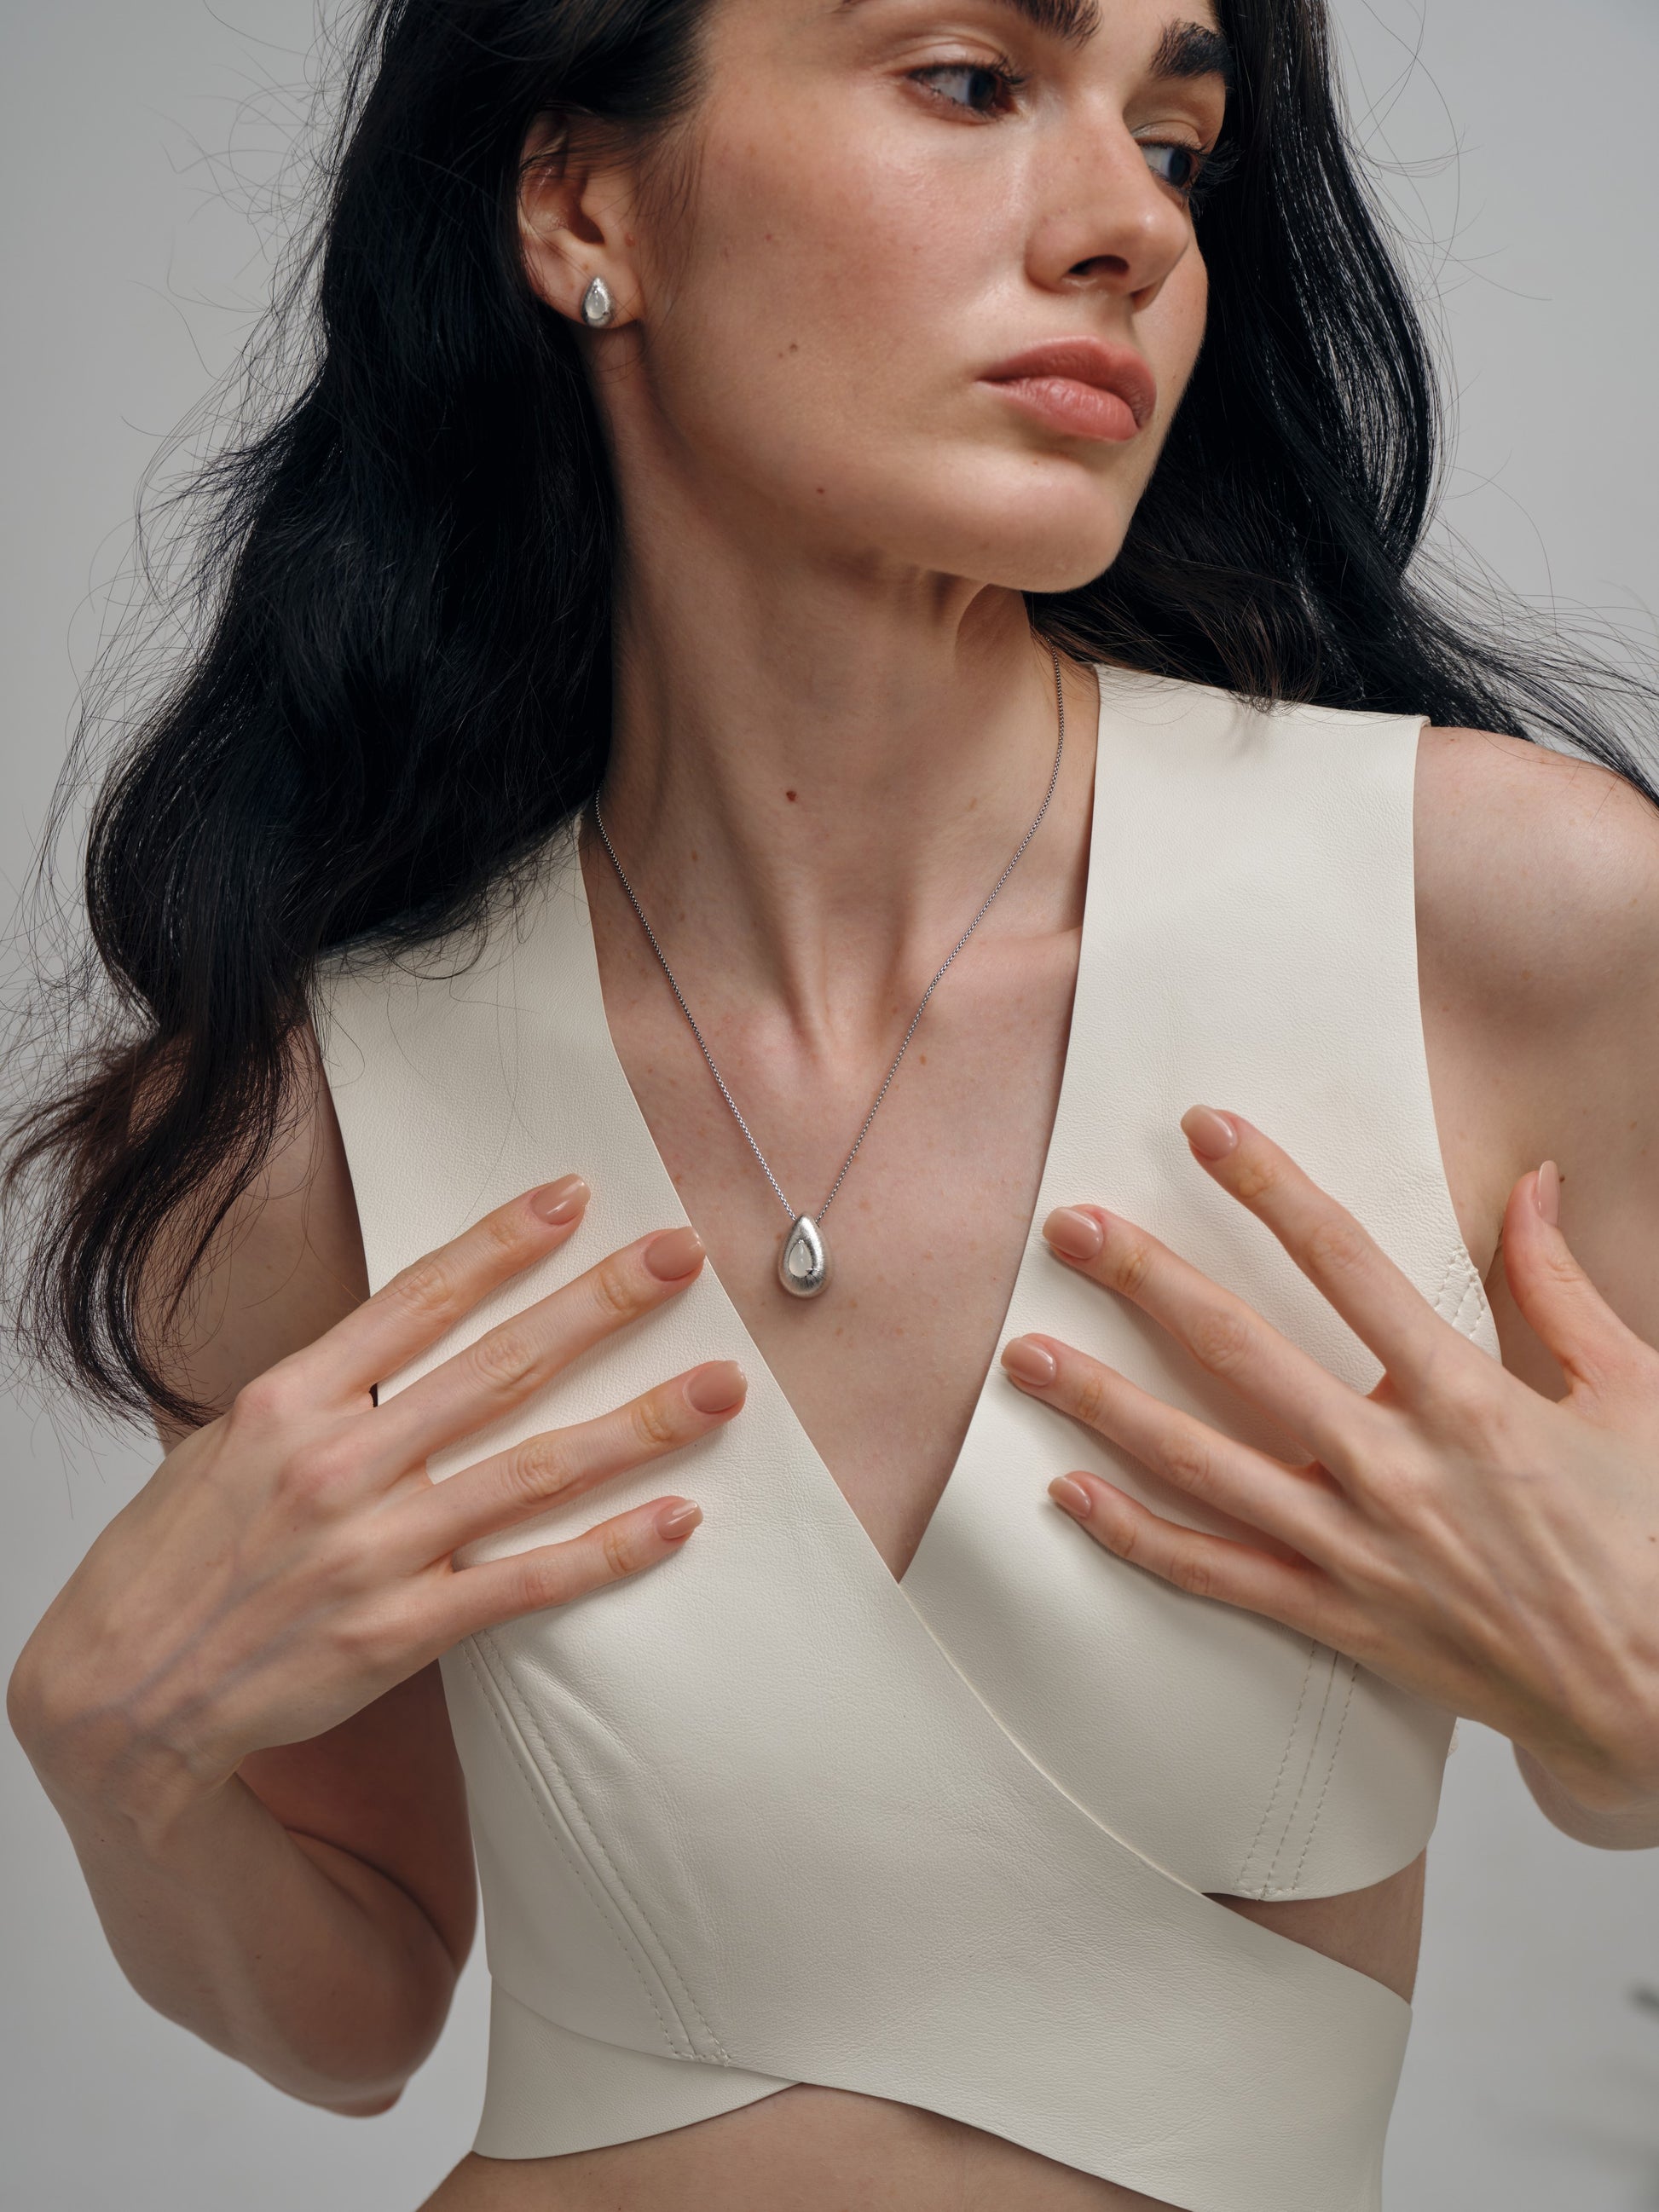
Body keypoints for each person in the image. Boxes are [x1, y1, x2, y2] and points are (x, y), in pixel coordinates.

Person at [7, 0, 1659, 2207]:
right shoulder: (318, 1110)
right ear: (584, 199)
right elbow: (360, 1998)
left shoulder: (1502, 928)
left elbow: (1618, 1750)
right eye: (973, 82)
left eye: (1175, 145)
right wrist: (110, 1759)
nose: (1125, 234)